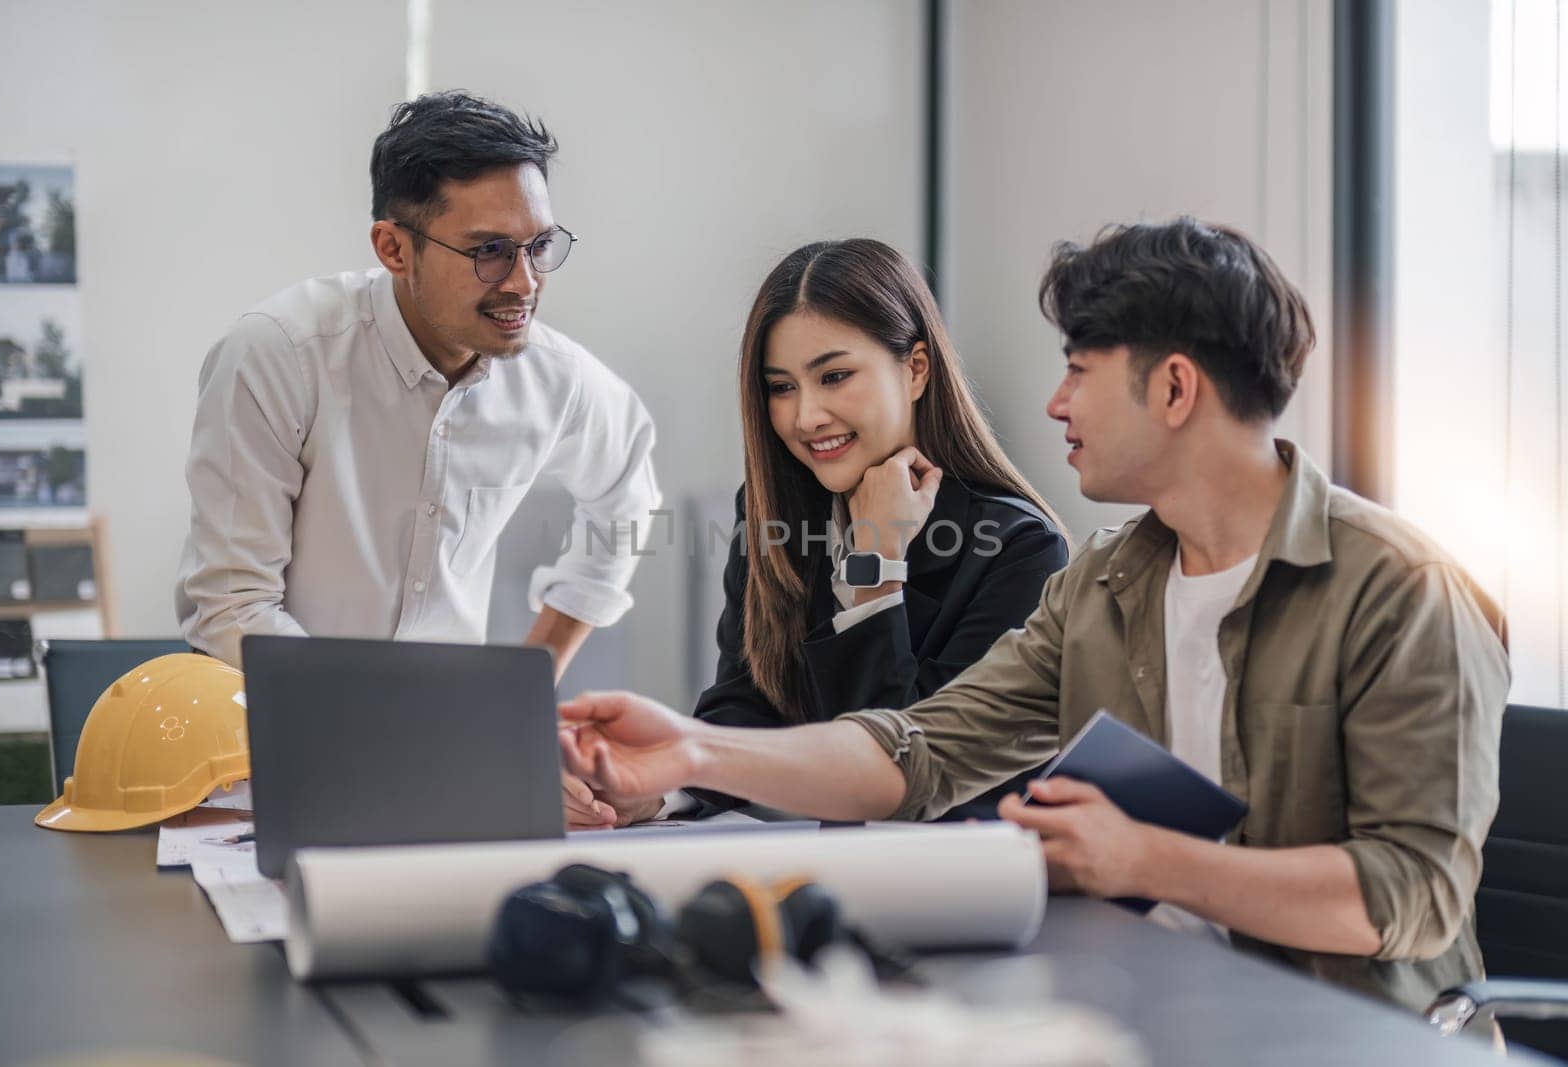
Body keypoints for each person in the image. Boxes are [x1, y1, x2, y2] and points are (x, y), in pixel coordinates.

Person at [558, 218, 1510, 1016]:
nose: (1055, 403)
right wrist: (689, 753)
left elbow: (1409, 897)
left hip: (1330, 1024)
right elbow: (917, 751)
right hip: (1133, 995)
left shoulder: (1402, 590)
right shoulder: (1104, 583)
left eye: (1080, 370)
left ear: (1175, 388)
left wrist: (1143, 858)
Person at [173, 92, 660, 821]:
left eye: (539, 246)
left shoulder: (556, 377)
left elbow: (629, 494)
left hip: (453, 762)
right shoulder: (280, 356)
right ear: (394, 249)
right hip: (274, 768)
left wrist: (524, 687)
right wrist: (431, 746)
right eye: (490, 250)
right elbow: (233, 605)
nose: (524, 282)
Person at [569, 239, 1068, 828]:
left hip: (944, 886)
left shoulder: (1018, 547)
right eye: (781, 387)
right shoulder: (776, 513)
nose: (805, 417)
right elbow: (748, 703)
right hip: (815, 868)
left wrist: (876, 561)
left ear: (914, 369)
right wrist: (658, 792)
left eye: (834, 376)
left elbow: (904, 775)